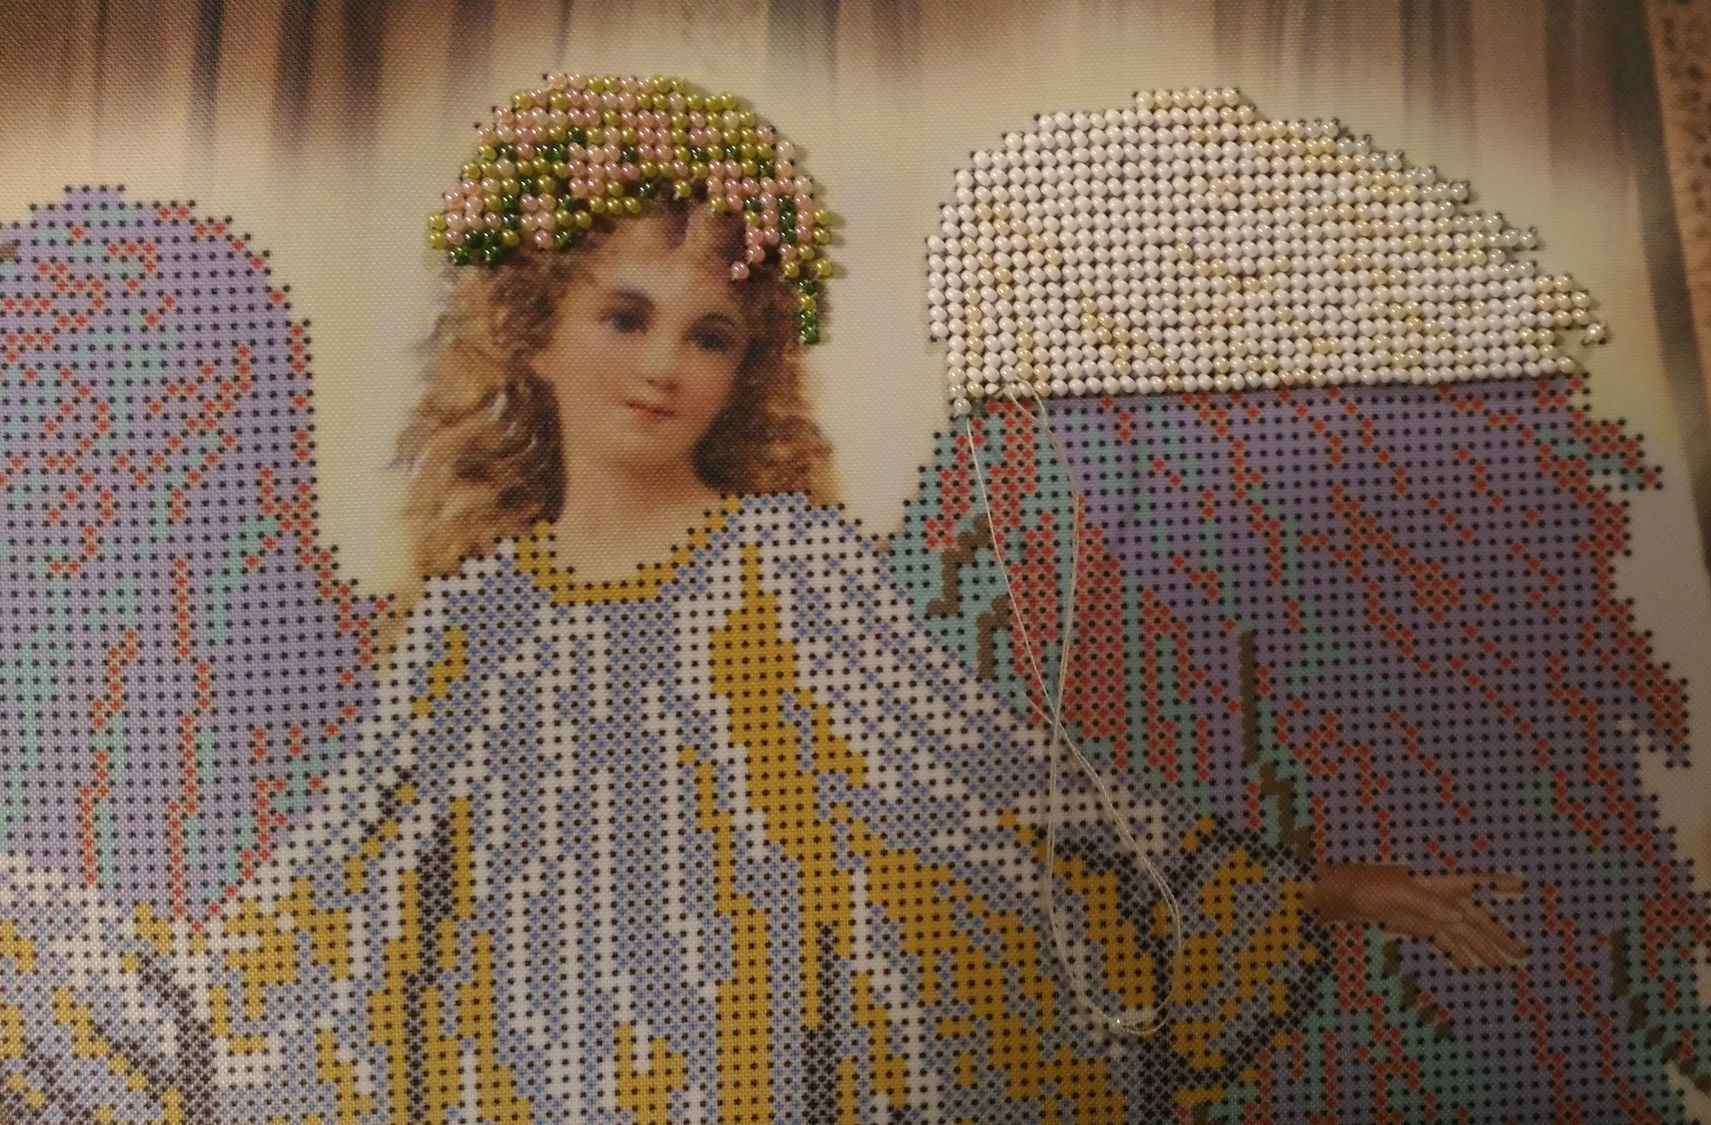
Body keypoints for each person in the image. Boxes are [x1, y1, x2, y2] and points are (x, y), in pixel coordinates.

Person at [0, 76, 1522, 1124]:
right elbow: (321, 920)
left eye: (712, 333)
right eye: (627, 315)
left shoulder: (782, 567)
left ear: (750, 366)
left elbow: (996, 793)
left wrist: (1302, 894)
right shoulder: (471, 626)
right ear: (531, 327)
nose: (665, 365)